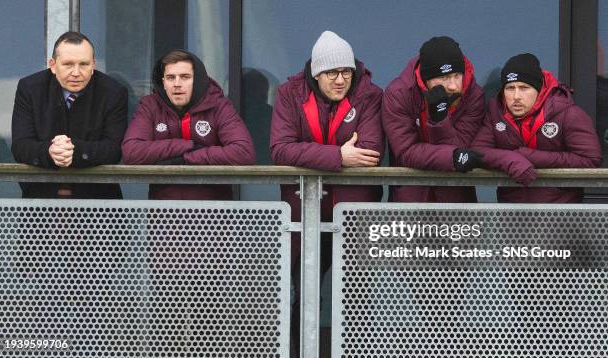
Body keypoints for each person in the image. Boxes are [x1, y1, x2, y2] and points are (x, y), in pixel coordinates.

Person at [270, 30, 383, 356]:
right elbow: (280, 149)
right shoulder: (290, 94)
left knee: (358, 300)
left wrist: (311, 154)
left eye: (346, 72)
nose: (340, 80)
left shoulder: (370, 95)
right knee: (302, 296)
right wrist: (339, 156)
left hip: (354, 216)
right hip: (303, 217)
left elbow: (371, 151)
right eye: (331, 73)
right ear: (316, 73)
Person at [121, 50, 255, 199]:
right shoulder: (150, 105)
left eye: (185, 77)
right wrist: (187, 146)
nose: (177, 84)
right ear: (163, 82)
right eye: (170, 78)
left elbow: (243, 152)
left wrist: (187, 158)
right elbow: (131, 152)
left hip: (214, 215)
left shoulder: (219, 105)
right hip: (164, 215)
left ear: (197, 80)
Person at [11, 31, 128, 198]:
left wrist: (74, 150)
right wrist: (49, 152)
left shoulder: (113, 92)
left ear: (93, 65)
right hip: (42, 202)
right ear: (52, 65)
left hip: (98, 204)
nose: (76, 72)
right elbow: (20, 146)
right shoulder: (30, 88)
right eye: (68, 64)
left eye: (84, 64)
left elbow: (114, 149)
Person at [472, 53, 602, 202]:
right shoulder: (496, 111)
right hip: (511, 215)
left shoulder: (569, 113)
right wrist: (511, 159)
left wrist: (530, 156)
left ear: (539, 89)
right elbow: (478, 151)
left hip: (561, 216)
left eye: (524, 88)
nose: (516, 96)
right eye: (510, 88)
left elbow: (590, 159)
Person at [382, 36, 485, 202]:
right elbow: (406, 152)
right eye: (444, 78)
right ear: (425, 78)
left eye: (457, 75)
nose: (453, 85)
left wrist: (440, 120)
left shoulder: (474, 95)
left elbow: (460, 146)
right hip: (411, 199)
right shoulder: (399, 94)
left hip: (456, 199)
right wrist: (452, 157)